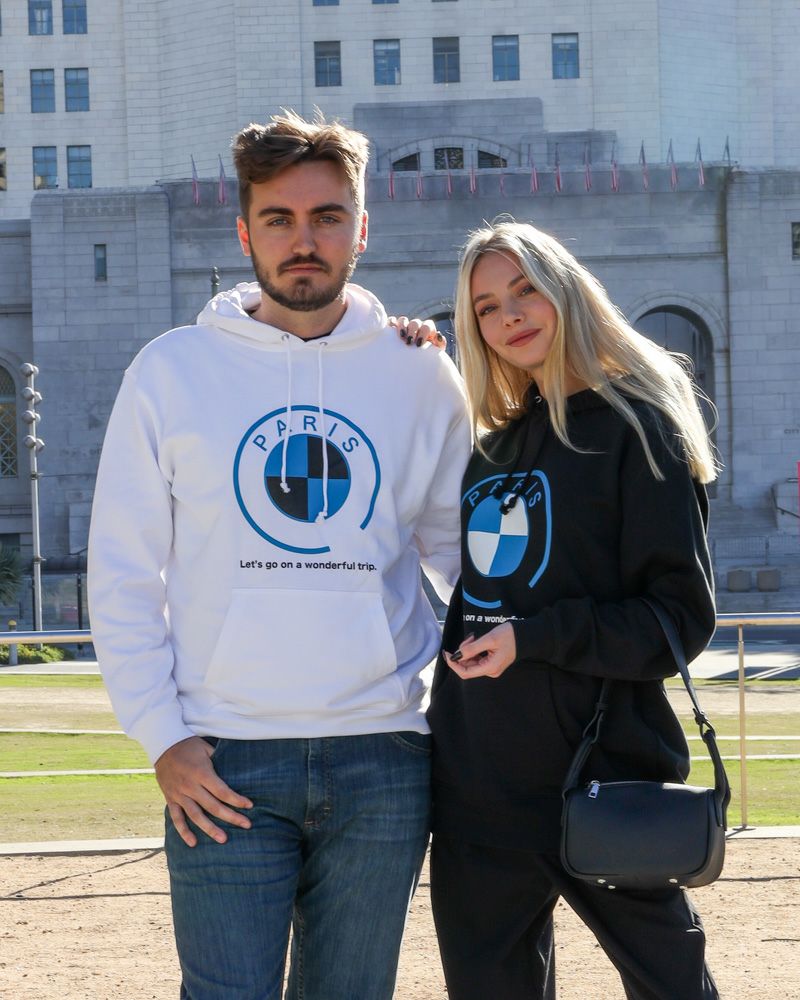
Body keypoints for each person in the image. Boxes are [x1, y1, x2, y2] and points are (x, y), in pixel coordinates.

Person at [87, 111, 470, 1000]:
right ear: (244, 232)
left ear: (362, 229)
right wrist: (164, 737)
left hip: (384, 757)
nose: (305, 240)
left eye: (328, 217)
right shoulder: (170, 371)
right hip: (223, 760)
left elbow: (466, 563)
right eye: (279, 219)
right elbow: (123, 574)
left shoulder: (418, 372)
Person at [423, 220, 720, 1000]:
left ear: (567, 291)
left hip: (602, 779)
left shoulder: (638, 429)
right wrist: (404, 355)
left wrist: (534, 640)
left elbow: (677, 620)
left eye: (525, 290)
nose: (510, 315)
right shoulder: (491, 449)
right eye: (487, 307)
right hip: (476, 790)